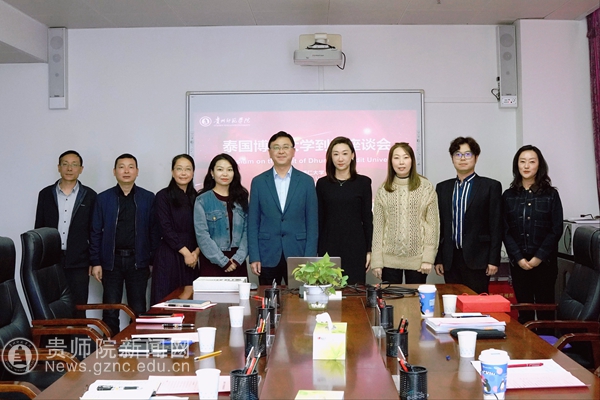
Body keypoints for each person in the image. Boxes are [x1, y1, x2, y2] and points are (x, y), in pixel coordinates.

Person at [90, 153, 160, 335]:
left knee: (138, 309)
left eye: (131, 167)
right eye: (122, 167)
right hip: (111, 262)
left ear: (137, 171)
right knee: (110, 309)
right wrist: (96, 262)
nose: (126, 171)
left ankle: (136, 346)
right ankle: (110, 347)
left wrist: (152, 260)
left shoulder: (148, 198)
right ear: (114, 171)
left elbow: (154, 231)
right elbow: (95, 232)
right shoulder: (103, 198)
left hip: (138, 261)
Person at [248, 131, 319, 285]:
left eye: (286, 147)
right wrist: (254, 256)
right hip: (267, 254)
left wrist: (310, 258)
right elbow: (253, 222)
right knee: (268, 297)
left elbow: (312, 223)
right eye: (276, 147)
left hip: (298, 254)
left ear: (293, 151)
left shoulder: (306, 181)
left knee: (298, 298)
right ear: (269, 152)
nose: (281, 151)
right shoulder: (258, 182)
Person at [502, 145, 563, 323]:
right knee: (524, 313)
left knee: (545, 312)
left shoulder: (551, 195)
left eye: (531, 161)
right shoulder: (508, 196)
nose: (526, 166)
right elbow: (504, 230)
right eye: (522, 162)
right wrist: (519, 258)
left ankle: (546, 342)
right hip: (519, 263)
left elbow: (556, 229)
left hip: (545, 263)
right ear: (517, 165)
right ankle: (525, 342)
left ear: (539, 165)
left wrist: (538, 257)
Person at [434, 137, 502, 294]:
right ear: (452, 158)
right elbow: (439, 226)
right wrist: (439, 259)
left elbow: (496, 225)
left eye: (467, 154)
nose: (462, 158)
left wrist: (493, 260)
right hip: (450, 259)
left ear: (476, 157)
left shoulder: (490, 186)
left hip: (478, 259)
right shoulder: (443, 188)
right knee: (451, 303)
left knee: (476, 303)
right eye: (458, 154)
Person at [34, 150, 97, 315]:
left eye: (74, 165)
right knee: (50, 308)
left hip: (79, 260)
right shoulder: (46, 194)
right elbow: (39, 229)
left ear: (81, 169)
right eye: (65, 164)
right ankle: (56, 334)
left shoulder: (90, 196)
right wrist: (38, 260)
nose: (70, 168)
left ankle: (78, 333)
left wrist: (94, 260)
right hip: (50, 261)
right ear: (59, 167)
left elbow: (94, 231)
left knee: (79, 307)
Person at [371, 142, 439, 284]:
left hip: (418, 260)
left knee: (415, 297)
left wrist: (428, 258)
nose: (401, 162)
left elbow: (433, 225)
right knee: (391, 297)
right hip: (389, 260)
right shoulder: (383, 189)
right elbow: (378, 227)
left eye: (405, 157)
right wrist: (376, 260)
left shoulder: (425, 187)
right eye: (396, 158)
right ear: (391, 162)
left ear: (412, 160)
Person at [316, 137, 373, 285]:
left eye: (345, 153)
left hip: (356, 247)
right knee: (329, 290)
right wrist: (318, 250)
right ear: (330, 157)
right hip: (329, 247)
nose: (340, 158)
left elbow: (367, 218)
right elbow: (319, 219)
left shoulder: (363, 182)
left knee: (355, 292)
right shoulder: (322, 184)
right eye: (335, 154)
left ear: (352, 155)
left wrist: (369, 249)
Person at [151, 154, 200, 304]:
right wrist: (186, 253)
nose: (183, 173)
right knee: (166, 302)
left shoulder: (198, 197)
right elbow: (165, 228)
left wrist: (196, 252)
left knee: (190, 303)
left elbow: (203, 229)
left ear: (193, 173)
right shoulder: (162, 196)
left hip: (192, 256)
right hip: (169, 254)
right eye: (179, 169)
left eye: (188, 169)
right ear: (172, 172)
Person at [194, 153, 249, 278]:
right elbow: (202, 235)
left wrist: (237, 259)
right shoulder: (202, 200)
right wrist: (223, 261)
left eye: (229, 170)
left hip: (237, 262)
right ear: (212, 173)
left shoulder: (242, 198)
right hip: (212, 262)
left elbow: (247, 232)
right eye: (220, 169)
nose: (225, 174)